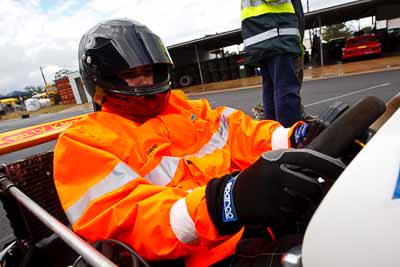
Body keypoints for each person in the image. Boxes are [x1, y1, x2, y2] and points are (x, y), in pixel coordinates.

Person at [53, 19, 338, 266]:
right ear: (101, 80)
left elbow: (244, 135)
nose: (145, 81)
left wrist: (296, 137)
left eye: (150, 71)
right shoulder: (82, 144)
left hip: (256, 226)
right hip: (201, 258)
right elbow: (132, 220)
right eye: (130, 75)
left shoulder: (188, 109)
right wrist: (224, 203)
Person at [241, 0, 305, 127]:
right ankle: (290, 135)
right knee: (285, 87)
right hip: (277, 32)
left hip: (264, 34)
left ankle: (273, 134)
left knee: (271, 88)